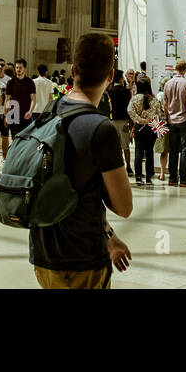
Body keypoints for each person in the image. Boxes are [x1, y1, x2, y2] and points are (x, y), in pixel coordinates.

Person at [29, 32, 133, 289]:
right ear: (110, 77)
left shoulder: (48, 113)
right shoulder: (101, 129)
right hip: (82, 260)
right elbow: (124, 206)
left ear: (73, 70)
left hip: (43, 257)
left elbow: (69, 189)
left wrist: (110, 235)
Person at [162, 60, 186, 187]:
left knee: (172, 150)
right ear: (185, 69)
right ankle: (183, 179)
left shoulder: (167, 84)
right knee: (184, 150)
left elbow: (165, 104)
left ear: (175, 68)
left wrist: (166, 119)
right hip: (184, 120)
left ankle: (172, 178)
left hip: (171, 121)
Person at [126, 75, 164, 185]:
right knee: (149, 153)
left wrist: (140, 120)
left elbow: (130, 111)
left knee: (138, 152)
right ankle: (148, 177)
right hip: (151, 128)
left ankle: (138, 177)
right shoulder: (154, 100)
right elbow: (159, 114)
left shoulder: (135, 99)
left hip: (139, 128)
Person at [105, 70, 134, 177]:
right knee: (125, 146)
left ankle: (117, 167)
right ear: (121, 78)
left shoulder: (110, 91)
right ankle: (128, 167)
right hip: (124, 121)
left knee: (115, 146)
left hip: (112, 121)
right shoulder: (126, 92)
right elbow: (129, 108)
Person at [4, 59, 36, 136]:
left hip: (26, 115)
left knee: (24, 140)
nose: (18, 69)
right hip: (13, 114)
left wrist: (30, 111)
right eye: (17, 67)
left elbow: (33, 99)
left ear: (25, 68)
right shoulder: (10, 82)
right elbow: (7, 100)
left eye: (20, 67)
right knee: (15, 139)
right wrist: (6, 116)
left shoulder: (30, 82)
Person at [0, 58, 11, 164]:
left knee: (5, 136)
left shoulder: (9, 80)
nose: (0, 67)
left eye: (2, 65)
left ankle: (5, 158)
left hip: (5, 113)